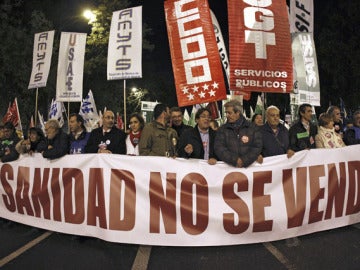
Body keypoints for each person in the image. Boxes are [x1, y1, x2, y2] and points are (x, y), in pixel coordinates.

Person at [214, 100, 262, 168]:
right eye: (226, 113)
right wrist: (235, 160)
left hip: (249, 169)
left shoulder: (253, 128)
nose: (227, 115)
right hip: (229, 169)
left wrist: (244, 160)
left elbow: (257, 146)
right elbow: (219, 148)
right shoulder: (222, 130)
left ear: (238, 113)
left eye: (229, 113)